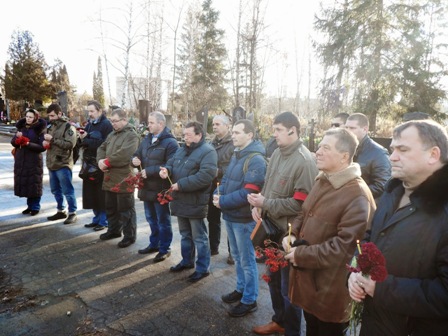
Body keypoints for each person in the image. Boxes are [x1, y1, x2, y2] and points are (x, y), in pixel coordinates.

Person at [348, 120, 448, 336]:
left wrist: (381, 288)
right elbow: (369, 238)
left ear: (433, 154)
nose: (392, 156)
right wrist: (357, 272)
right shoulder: (392, 191)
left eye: (403, 149)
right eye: (393, 149)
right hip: (376, 323)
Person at [284, 127, 376, 336]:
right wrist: (291, 234)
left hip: (331, 292)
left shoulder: (357, 194)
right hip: (312, 286)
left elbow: (345, 249)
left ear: (344, 156)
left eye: (326, 147)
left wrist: (301, 255)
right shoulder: (323, 179)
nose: (318, 151)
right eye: (319, 146)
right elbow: (303, 213)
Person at [248, 111, 318, 336]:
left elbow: (301, 205)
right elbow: (269, 184)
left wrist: (266, 202)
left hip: (287, 235)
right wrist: (258, 206)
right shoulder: (278, 152)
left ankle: (292, 331)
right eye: (274, 129)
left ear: (293, 130)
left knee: (289, 290)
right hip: (270, 230)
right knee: (273, 281)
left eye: (278, 130)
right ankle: (279, 321)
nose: (273, 134)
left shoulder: (304, 161)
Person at [213, 119, 267, 317]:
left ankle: (249, 299)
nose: (233, 135)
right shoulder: (238, 154)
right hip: (231, 215)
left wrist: (224, 201)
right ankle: (241, 288)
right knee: (237, 257)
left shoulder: (256, 159)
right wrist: (217, 194)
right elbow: (226, 179)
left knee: (246, 260)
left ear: (250, 135)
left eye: (237, 132)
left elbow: (249, 192)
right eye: (233, 132)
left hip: (244, 219)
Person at [160, 121, 217, 283]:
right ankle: (187, 261)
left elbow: (205, 177)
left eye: (188, 135)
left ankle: (202, 268)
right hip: (180, 199)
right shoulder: (181, 149)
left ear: (199, 135)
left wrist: (181, 185)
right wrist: (166, 170)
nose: (184, 137)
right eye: (184, 134)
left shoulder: (208, 152)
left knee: (199, 237)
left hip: (195, 200)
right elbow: (171, 163)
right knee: (185, 235)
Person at [132, 111, 179, 262]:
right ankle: (154, 244)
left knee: (162, 220)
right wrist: (134, 160)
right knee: (150, 218)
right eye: (148, 122)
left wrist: (150, 171)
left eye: (151, 122)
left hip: (160, 188)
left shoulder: (171, 143)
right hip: (146, 187)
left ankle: (165, 248)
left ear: (161, 124)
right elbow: (136, 154)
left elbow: (171, 165)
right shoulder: (147, 139)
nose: (148, 125)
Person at [97, 108, 140, 248]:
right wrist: (100, 161)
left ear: (124, 120)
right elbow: (101, 148)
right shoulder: (112, 134)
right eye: (111, 121)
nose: (113, 124)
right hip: (109, 177)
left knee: (126, 209)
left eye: (115, 121)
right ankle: (114, 230)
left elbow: (125, 154)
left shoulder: (132, 136)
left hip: (123, 178)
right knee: (111, 207)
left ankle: (129, 236)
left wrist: (107, 162)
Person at [80, 100, 113, 231]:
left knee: (101, 194)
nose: (90, 114)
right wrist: (82, 138)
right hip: (89, 164)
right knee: (91, 193)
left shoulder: (106, 125)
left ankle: (103, 220)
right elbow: (86, 141)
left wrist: (87, 139)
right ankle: (96, 218)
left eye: (92, 111)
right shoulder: (89, 124)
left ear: (99, 111)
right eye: (88, 111)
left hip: (100, 164)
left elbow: (105, 144)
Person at [43, 103, 78, 224]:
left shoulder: (69, 127)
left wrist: (52, 140)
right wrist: (46, 143)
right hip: (51, 162)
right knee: (55, 189)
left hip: (63, 163)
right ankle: (60, 210)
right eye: (49, 116)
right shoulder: (50, 126)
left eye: (52, 116)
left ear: (59, 114)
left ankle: (72, 212)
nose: (50, 118)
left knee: (67, 190)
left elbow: (70, 145)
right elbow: (50, 143)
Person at [345, 113, 391, 201]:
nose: (347, 131)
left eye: (352, 128)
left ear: (365, 129)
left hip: (366, 204)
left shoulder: (379, 153)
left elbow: (382, 185)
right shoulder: (344, 147)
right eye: (346, 127)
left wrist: (354, 193)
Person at [207, 115, 235, 263]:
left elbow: (235, 165)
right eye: (213, 124)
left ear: (226, 125)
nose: (215, 127)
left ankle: (232, 252)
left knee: (230, 219)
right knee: (212, 217)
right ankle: (213, 246)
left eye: (218, 124)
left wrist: (218, 171)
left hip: (228, 185)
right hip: (212, 185)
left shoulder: (233, 143)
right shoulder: (211, 143)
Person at [11, 108, 47, 216]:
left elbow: (42, 147)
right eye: (27, 116)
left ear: (35, 117)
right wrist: (17, 140)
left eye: (30, 117)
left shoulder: (39, 129)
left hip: (34, 161)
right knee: (26, 184)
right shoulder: (21, 127)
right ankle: (29, 206)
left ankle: (35, 207)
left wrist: (27, 144)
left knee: (34, 183)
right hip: (21, 160)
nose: (28, 119)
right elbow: (13, 141)